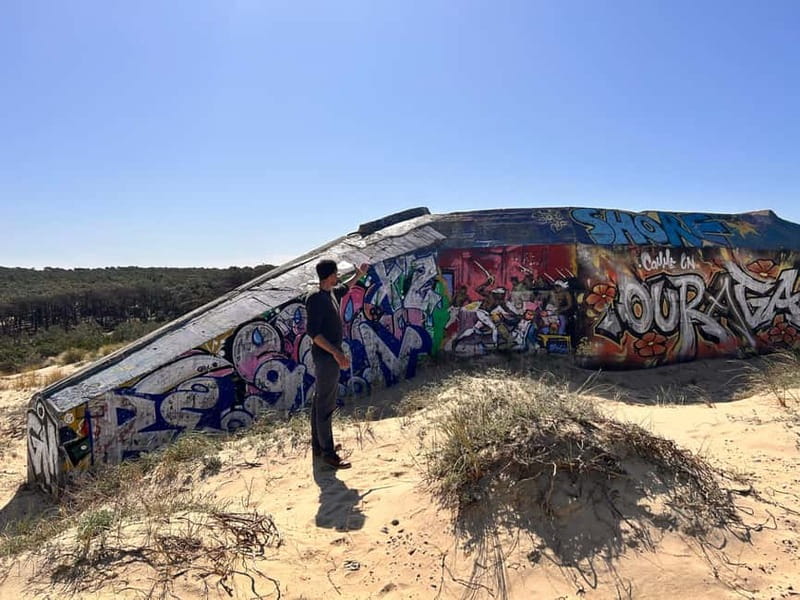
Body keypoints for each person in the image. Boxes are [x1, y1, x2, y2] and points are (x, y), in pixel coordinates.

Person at [306, 259, 368, 469]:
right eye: (336, 273)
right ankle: (328, 453)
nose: (338, 276)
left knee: (320, 401)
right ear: (329, 275)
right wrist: (336, 354)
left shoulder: (329, 293)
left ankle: (319, 445)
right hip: (326, 358)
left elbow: (345, 288)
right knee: (326, 404)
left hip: (329, 356)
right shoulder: (315, 298)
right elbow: (314, 333)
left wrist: (359, 275)